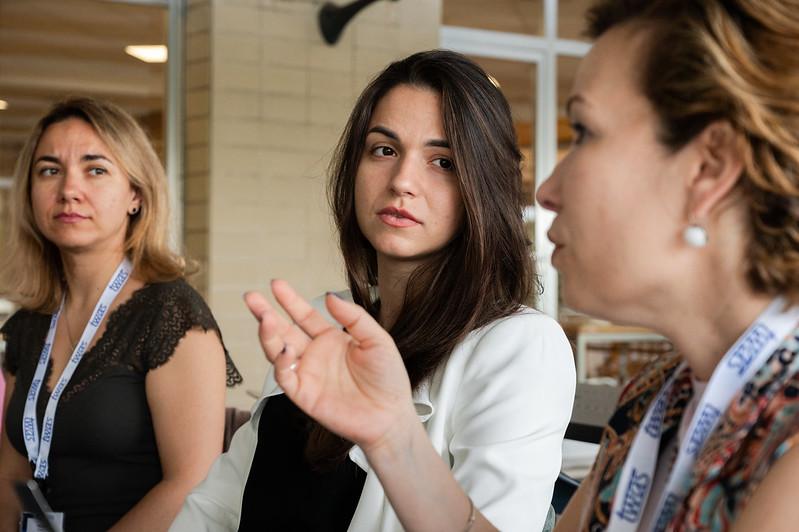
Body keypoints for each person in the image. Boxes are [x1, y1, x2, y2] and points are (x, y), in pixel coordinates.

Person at [172, 50, 575, 532]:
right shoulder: (325, 320)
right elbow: (216, 510)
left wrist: (393, 437)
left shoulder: (518, 346)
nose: (402, 181)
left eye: (443, 161)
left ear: (483, 186)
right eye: (383, 150)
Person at [541, 0, 799, 530]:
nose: (547, 191)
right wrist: (391, 434)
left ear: (708, 168)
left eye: (584, 131)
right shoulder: (660, 392)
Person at [0, 97, 242, 532]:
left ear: (136, 195)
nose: (69, 189)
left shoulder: (171, 314)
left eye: (95, 169)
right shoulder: (28, 323)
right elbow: (13, 474)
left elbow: (190, 484)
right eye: (50, 170)